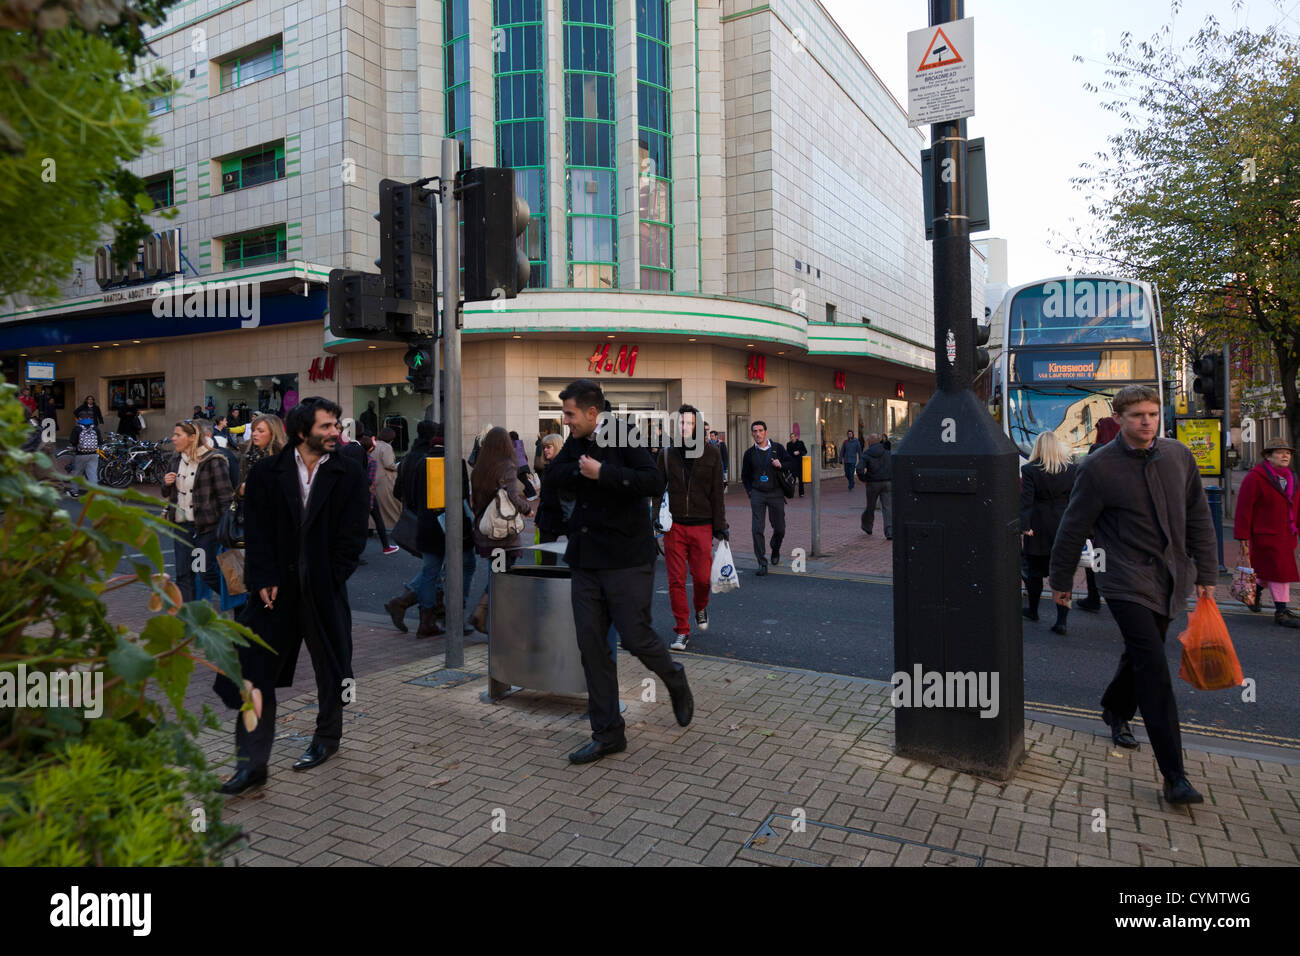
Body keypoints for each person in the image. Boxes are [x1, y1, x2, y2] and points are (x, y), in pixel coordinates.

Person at [1049, 385, 1217, 806]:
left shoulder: (1179, 456)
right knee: (1154, 667)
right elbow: (1073, 526)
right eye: (1138, 415)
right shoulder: (1098, 467)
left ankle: (1115, 707)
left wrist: (1207, 572)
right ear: (1120, 418)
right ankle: (1174, 775)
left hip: (1172, 576)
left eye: (1153, 414)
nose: (1147, 421)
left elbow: (1199, 514)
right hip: (1123, 578)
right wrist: (1061, 581)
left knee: (1143, 654)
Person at [542, 379, 693, 764]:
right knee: (591, 648)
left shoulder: (623, 434)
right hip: (586, 559)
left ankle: (673, 677)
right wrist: (582, 471)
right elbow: (554, 475)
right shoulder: (575, 441)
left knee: (635, 635)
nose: (566, 420)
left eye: (570, 414)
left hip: (627, 556)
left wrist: (603, 473)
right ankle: (608, 733)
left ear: (593, 413)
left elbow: (653, 481)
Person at [225, 396, 368, 793]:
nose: (336, 433)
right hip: (274, 592)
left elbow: (354, 535)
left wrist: (334, 576)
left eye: (336, 425)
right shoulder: (267, 473)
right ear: (303, 431)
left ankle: (326, 739)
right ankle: (250, 764)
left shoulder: (349, 472)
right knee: (253, 673)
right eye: (327, 427)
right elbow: (257, 532)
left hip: (323, 589)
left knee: (332, 668)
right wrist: (264, 577)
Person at [386, 421, 477, 637]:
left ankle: (426, 620)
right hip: (454, 527)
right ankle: (454, 614)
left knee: (430, 571)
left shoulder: (419, 461)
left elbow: (412, 497)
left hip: (426, 525)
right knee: (466, 565)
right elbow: (463, 499)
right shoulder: (456, 462)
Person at [658, 404, 727, 651]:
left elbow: (717, 492)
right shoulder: (668, 453)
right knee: (676, 580)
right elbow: (658, 489)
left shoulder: (712, 454)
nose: (684, 427)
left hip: (702, 525)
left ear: (697, 426)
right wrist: (656, 517)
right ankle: (682, 631)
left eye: (689, 423)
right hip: (674, 527)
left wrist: (721, 525)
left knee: (701, 578)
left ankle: (700, 606)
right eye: (681, 423)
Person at [468, 426, 535, 633]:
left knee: (496, 571)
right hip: (503, 533)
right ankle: (487, 617)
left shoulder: (480, 467)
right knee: (501, 575)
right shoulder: (507, 466)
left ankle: (485, 615)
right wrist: (527, 510)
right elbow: (514, 497)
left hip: (485, 529)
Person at [160, 419, 234, 602]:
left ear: (192, 437)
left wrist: (227, 528)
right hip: (182, 527)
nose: (173, 438)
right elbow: (168, 494)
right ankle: (188, 616)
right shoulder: (175, 460)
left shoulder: (213, 460)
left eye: (178, 435)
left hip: (205, 530)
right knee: (183, 574)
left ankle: (238, 596)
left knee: (204, 571)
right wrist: (166, 484)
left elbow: (225, 497)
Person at [1233, 436, 1300, 628]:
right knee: (1281, 573)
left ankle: (1254, 592)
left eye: (1287, 453)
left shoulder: (1292, 478)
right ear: (1268, 457)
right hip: (1265, 535)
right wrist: (1242, 537)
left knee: (1269, 572)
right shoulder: (1254, 478)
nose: (1285, 456)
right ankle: (1281, 612)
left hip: (1287, 535)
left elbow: (1297, 507)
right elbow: (1244, 509)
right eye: (1280, 453)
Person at [1019, 431, 1078, 634]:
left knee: (1034, 573)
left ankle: (1033, 610)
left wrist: (1024, 526)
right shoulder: (1072, 470)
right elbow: (1075, 500)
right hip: (1064, 526)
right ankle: (1062, 620)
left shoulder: (1029, 470)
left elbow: (1026, 500)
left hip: (1039, 526)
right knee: (1063, 575)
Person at [1077, 416, 1123, 612]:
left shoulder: (1097, 451)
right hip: (1120, 518)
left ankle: (1094, 597)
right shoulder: (1124, 451)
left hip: (1098, 518)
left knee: (1097, 558)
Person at [741, 420, 792, 576]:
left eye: (760, 430)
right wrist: (750, 491)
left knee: (780, 529)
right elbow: (745, 475)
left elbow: (792, 464)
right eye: (755, 431)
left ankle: (775, 548)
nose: (757, 434)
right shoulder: (749, 453)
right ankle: (762, 563)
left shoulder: (778, 449)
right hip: (758, 494)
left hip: (776, 493)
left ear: (766, 432)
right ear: (752, 434)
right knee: (757, 528)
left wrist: (781, 464)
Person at [534, 433, 571, 567]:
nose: (545, 450)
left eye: (549, 447)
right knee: (547, 560)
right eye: (544, 447)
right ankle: (547, 585)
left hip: (565, 517)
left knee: (575, 558)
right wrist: (538, 518)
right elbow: (543, 497)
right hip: (548, 518)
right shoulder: (547, 468)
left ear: (557, 447)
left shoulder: (565, 468)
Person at [859, 433, 893, 539]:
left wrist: (864, 479)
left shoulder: (866, 454)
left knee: (870, 506)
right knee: (887, 507)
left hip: (872, 483)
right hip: (887, 482)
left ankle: (867, 526)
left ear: (869, 442)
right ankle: (889, 531)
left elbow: (859, 469)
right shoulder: (888, 453)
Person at [373, 426, 402, 532]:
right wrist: (400, 465)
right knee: (392, 506)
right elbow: (389, 464)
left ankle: (373, 526)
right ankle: (396, 526)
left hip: (374, 479)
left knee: (377, 507)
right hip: (386, 480)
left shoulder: (375, 445)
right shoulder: (387, 447)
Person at [66, 416, 101, 496]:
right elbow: (100, 441)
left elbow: (73, 441)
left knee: (77, 473)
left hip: (81, 454)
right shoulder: (95, 428)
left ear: (80, 419)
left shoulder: (77, 428)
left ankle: (74, 492)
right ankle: (94, 493)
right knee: (92, 474)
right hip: (94, 454)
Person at [787, 432, 808, 497]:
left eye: (793, 437)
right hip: (792, 464)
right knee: (792, 479)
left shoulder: (800, 443)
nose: (792, 438)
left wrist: (799, 452)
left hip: (799, 463)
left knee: (801, 479)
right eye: (791, 437)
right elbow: (787, 453)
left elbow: (805, 451)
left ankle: (801, 493)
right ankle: (791, 493)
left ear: (796, 437)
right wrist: (793, 453)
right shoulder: (788, 444)